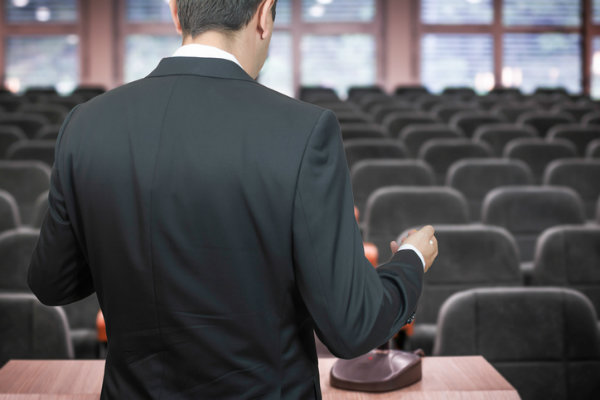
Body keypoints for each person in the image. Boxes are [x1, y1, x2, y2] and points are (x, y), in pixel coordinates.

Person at [28, 0, 438, 398]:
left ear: (175, 11)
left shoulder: (85, 126)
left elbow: (53, 283)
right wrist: (410, 262)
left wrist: (122, 245)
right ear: (263, 14)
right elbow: (352, 327)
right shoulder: (305, 132)